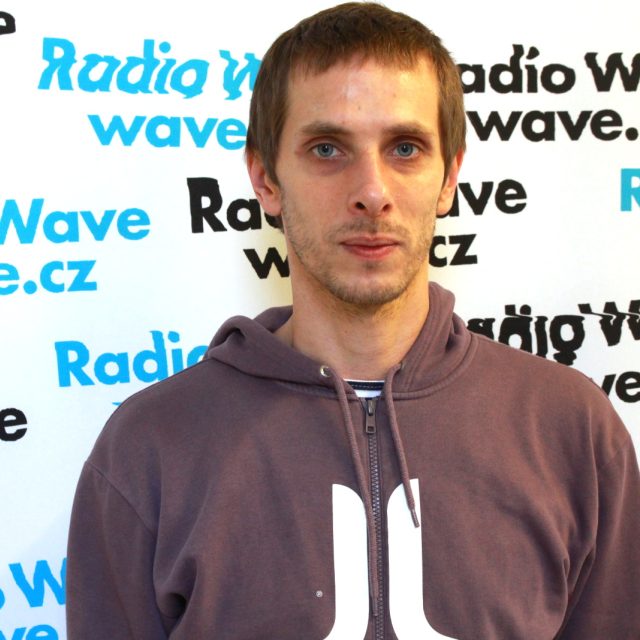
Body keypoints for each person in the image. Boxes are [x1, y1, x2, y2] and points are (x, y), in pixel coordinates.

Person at [66, 3, 640, 639]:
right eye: (327, 149)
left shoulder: (570, 430)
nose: (372, 191)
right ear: (265, 178)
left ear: (449, 177)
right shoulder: (151, 448)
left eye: (405, 148)